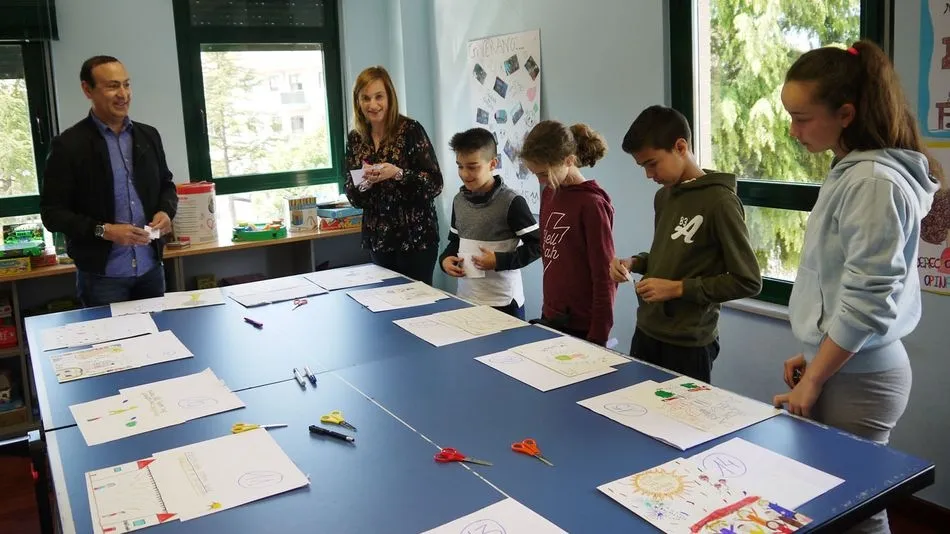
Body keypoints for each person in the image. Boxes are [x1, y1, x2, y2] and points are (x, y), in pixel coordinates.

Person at [773, 40, 943, 534]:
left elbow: (869, 298)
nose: (793, 131)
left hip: (861, 378)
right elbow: (838, 283)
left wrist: (816, 376)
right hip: (844, 365)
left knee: (855, 513)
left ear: (845, 114)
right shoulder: (853, 171)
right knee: (829, 503)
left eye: (802, 119)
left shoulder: (872, 181)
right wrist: (814, 350)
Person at [609, 105, 762, 383]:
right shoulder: (664, 197)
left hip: (689, 344)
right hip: (646, 331)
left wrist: (678, 288)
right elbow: (668, 256)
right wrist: (634, 263)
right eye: (643, 167)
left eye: (652, 164)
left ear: (680, 147)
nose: (649, 175)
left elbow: (748, 281)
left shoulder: (721, 202)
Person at [40, 56, 177, 307]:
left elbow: (166, 185)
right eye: (113, 86)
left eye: (126, 84)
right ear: (87, 90)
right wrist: (104, 231)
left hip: (151, 269)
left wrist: (166, 211)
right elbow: (53, 214)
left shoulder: (148, 136)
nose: (123, 94)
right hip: (102, 278)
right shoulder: (68, 146)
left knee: (158, 332)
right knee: (109, 335)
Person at [519, 120, 616, 346]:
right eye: (535, 174)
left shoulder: (592, 204)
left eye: (544, 174)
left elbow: (605, 277)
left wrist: (598, 337)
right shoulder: (550, 194)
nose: (540, 181)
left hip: (582, 326)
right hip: (552, 316)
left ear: (569, 161)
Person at [343, 66, 443, 285]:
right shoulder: (355, 139)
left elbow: (435, 184)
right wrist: (365, 183)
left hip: (415, 238)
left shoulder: (410, 130)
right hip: (379, 239)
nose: (373, 105)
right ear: (358, 101)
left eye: (379, 96)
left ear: (390, 97)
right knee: (383, 301)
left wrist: (398, 174)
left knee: (418, 302)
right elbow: (353, 195)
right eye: (365, 98)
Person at [439, 128, 541, 319]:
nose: (465, 174)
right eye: (460, 166)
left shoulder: (512, 202)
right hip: (466, 299)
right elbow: (455, 241)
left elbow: (538, 245)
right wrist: (444, 260)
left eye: (473, 167)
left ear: (493, 164)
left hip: (504, 303)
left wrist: (499, 261)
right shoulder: (459, 201)